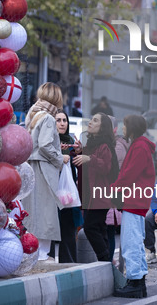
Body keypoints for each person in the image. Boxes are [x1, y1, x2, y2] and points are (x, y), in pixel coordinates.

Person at [111, 115, 156, 299]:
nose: (123, 128)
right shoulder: (140, 145)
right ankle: (139, 283)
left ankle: (135, 282)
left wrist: (112, 190)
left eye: (125, 125)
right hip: (137, 200)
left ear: (132, 128)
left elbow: (129, 175)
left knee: (131, 242)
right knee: (135, 241)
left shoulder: (139, 147)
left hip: (134, 200)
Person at [22, 82, 64, 261]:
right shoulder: (47, 117)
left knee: (31, 209)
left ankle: (30, 248)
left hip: (30, 165)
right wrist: (59, 160)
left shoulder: (33, 113)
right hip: (43, 167)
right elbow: (46, 145)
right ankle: (42, 252)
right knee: (46, 211)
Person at [73, 112, 119, 262]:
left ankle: (104, 258)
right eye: (91, 119)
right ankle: (106, 262)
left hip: (100, 196)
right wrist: (81, 151)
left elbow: (105, 166)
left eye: (95, 120)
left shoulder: (104, 145)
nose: (90, 122)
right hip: (92, 196)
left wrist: (89, 158)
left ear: (102, 127)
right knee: (100, 228)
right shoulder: (93, 144)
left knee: (91, 227)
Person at [49, 111, 78, 263]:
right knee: (52, 226)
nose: (62, 123)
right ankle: (49, 259)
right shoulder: (49, 141)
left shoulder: (71, 141)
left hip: (67, 191)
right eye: (58, 120)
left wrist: (77, 152)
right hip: (52, 189)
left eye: (64, 120)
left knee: (68, 227)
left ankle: (69, 262)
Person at [106, 116, 130, 262]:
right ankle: (110, 261)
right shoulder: (111, 144)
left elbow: (109, 170)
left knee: (108, 230)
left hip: (112, 193)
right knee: (108, 230)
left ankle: (109, 262)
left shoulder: (117, 146)